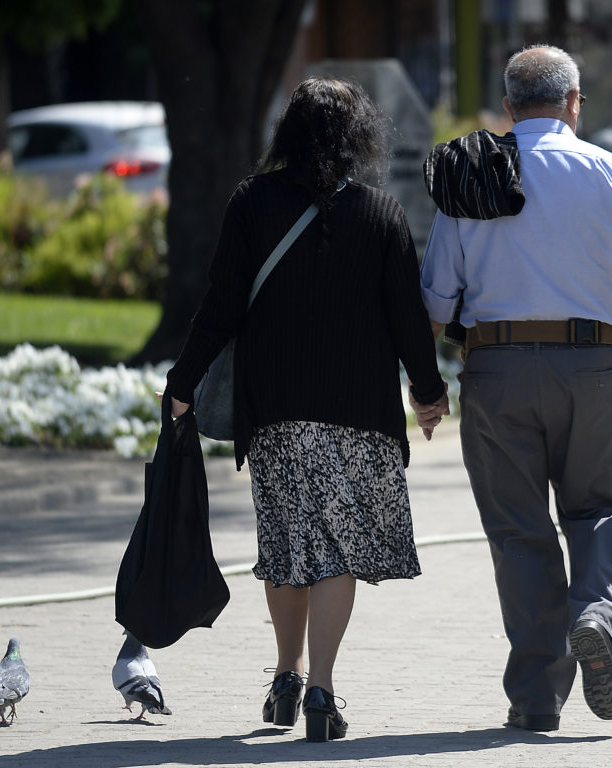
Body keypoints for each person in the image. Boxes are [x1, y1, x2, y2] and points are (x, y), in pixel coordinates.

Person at [165, 77, 449, 743]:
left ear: (286, 134)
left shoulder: (252, 203)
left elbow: (220, 304)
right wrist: (429, 392)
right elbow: (408, 320)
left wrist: (183, 382)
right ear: (356, 139)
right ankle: (319, 686)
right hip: (358, 412)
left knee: (285, 545)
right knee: (336, 552)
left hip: (277, 412)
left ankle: (286, 672)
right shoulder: (382, 214)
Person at [418, 45, 612, 732]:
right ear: (574, 102)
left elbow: (436, 301)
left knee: (519, 533)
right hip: (592, 368)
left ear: (507, 107)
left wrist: (425, 389)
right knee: (601, 509)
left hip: (495, 371)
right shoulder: (611, 174)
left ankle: (536, 699)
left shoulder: (470, 174)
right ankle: (596, 615)